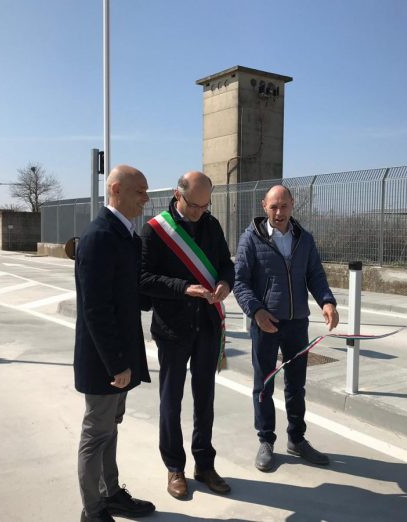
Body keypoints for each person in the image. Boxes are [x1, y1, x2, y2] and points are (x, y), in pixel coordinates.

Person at [140, 171, 234, 500]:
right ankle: (174, 466)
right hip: (173, 328)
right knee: (171, 400)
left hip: (207, 325)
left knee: (205, 400)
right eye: (194, 205)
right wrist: (183, 288)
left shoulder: (211, 225)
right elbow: (143, 279)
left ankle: (204, 464)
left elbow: (225, 264)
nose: (199, 212)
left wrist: (225, 283)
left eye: (205, 206)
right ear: (178, 195)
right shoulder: (156, 230)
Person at [234, 185, 339, 472]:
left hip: (297, 323)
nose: (279, 213)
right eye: (273, 207)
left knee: (296, 385)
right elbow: (240, 282)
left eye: (284, 206)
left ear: (292, 204)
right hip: (265, 323)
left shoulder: (304, 239)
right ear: (264, 206)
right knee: (264, 385)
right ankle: (266, 441)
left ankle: (297, 439)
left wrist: (327, 301)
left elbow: (315, 275)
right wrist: (256, 311)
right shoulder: (250, 239)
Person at [74, 165, 155, 522]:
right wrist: (116, 364)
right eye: (140, 191)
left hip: (120, 357)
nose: (146, 199)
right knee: (96, 435)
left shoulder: (125, 236)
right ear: (116, 190)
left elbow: (129, 292)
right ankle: (93, 511)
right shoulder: (100, 237)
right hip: (104, 362)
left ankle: (111, 493)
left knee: (109, 429)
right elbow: (96, 308)